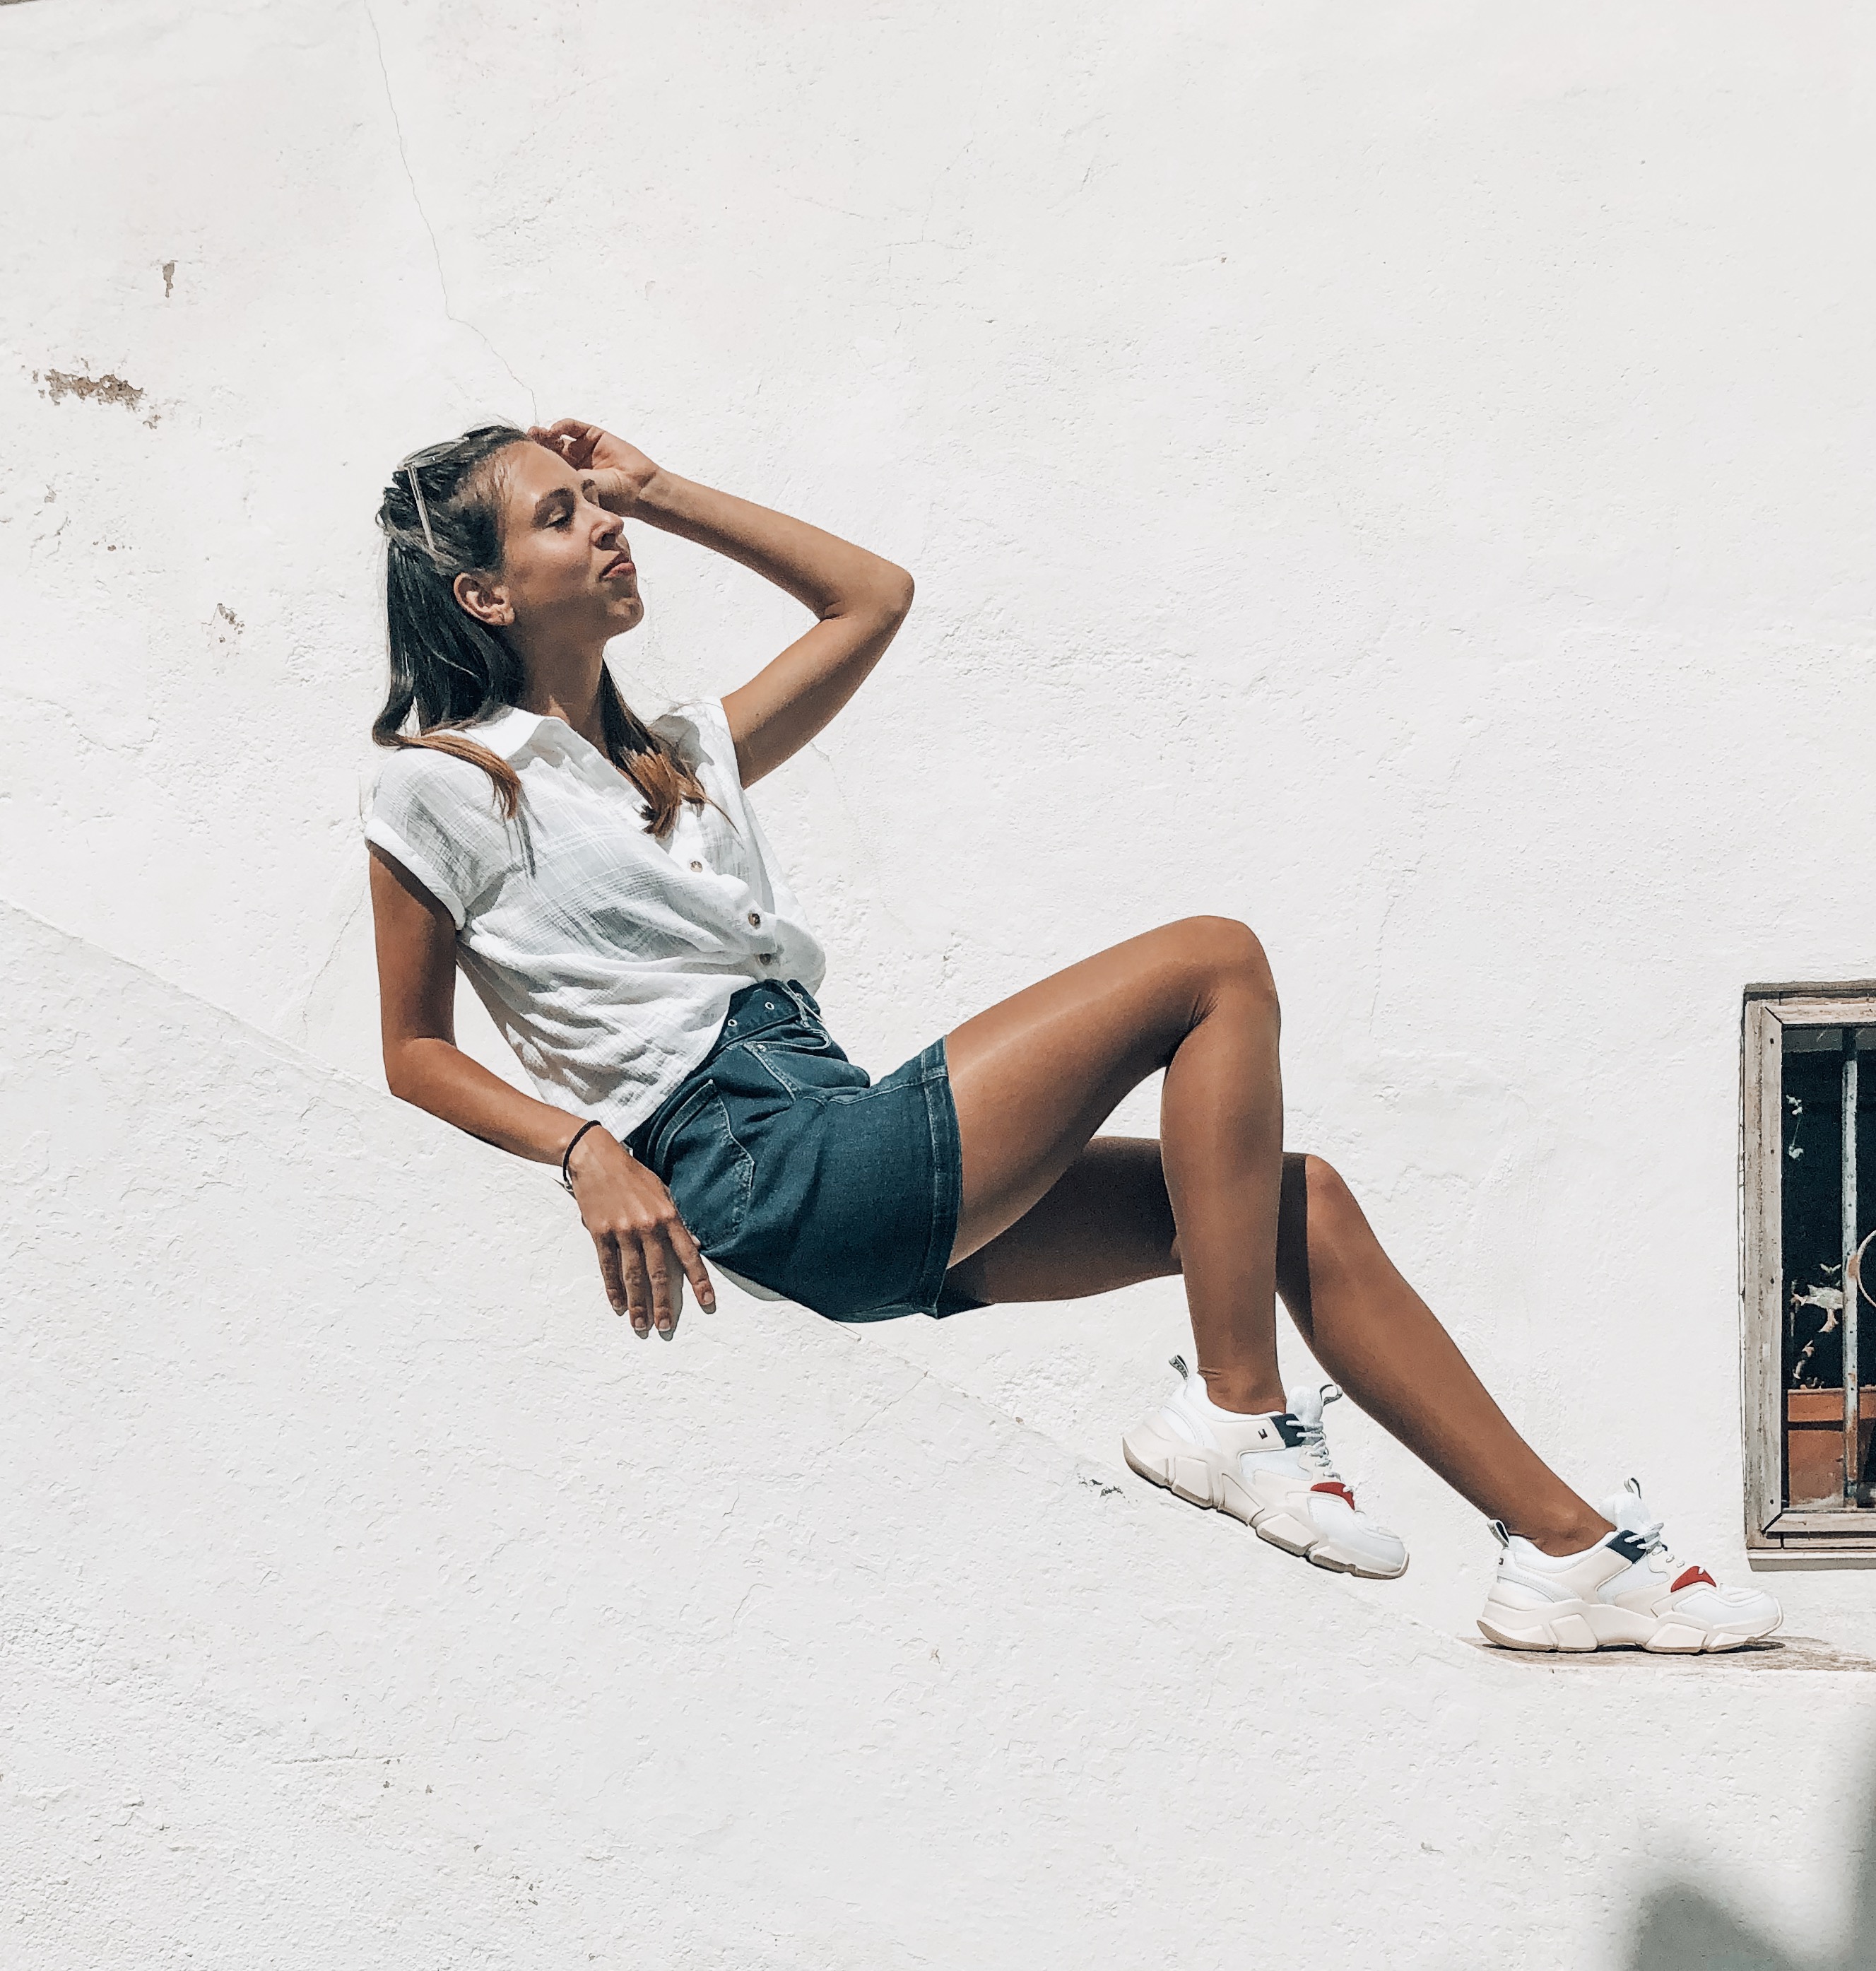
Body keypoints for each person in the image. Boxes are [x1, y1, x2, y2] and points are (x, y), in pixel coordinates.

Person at [365, 418, 1781, 1657]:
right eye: (565, 514)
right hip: (759, 1162)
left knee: (1292, 1203)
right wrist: (583, 1148)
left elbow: (871, 597)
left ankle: (1563, 1554)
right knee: (1209, 965)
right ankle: (1236, 1414)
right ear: (481, 590)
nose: (603, 524)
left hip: (829, 1132)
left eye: (597, 500)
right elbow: (412, 1050)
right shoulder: (446, 789)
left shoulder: (678, 758)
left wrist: (663, 486)